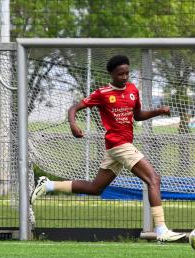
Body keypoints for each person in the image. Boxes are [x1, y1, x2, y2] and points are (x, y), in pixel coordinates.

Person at [31, 55, 185, 242]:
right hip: (119, 145)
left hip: (117, 147)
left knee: (95, 188)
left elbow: (137, 115)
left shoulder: (132, 90)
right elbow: (74, 108)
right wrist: (73, 124)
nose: (125, 77)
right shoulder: (102, 93)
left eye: (127, 73)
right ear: (112, 74)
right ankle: (161, 230)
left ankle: (47, 185)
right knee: (154, 179)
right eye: (120, 74)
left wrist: (158, 111)